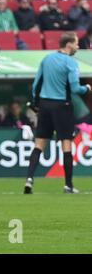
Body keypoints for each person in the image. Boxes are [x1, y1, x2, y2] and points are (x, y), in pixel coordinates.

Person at [25, 32, 90, 195]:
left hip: (45, 105)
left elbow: (35, 84)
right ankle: (68, 185)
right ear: (68, 44)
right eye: (76, 43)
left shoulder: (47, 58)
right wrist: (87, 88)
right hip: (62, 105)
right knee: (66, 145)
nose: (78, 46)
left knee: (39, 144)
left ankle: (29, 180)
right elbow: (75, 88)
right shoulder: (71, 63)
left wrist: (36, 104)